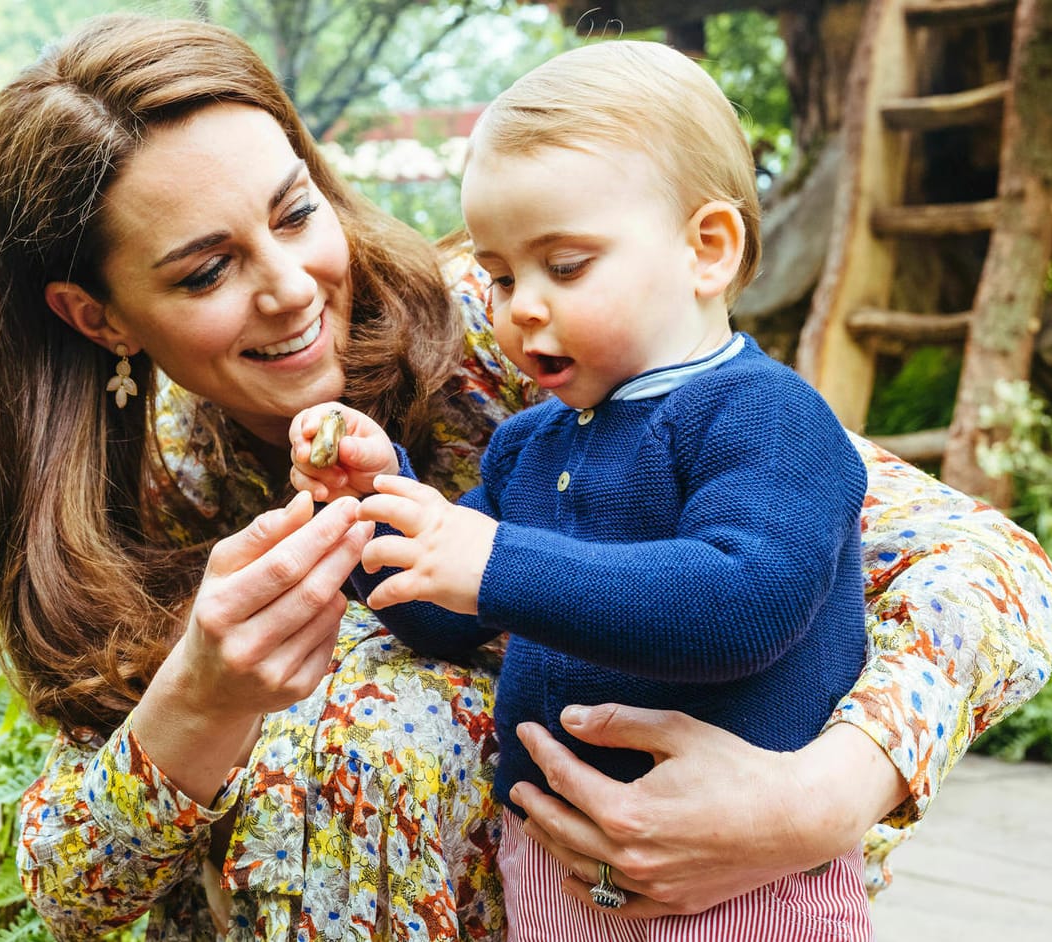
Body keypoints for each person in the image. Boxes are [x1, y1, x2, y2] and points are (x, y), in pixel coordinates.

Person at [0, 14, 1052, 942]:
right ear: (96, 317)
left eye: (297, 213)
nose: (290, 285)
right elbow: (70, 889)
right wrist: (202, 697)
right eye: (206, 270)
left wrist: (819, 801)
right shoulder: (144, 505)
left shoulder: (530, 330)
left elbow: (990, 570)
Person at [287, 41, 873, 939]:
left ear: (706, 250)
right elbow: (444, 612)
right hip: (557, 867)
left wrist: (494, 562)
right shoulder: (531, 445)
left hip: (737, 879)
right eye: (500, 274)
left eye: (564, 266)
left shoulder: (764, 416)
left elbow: (747, 601)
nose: (521, 305)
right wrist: (374, 505)